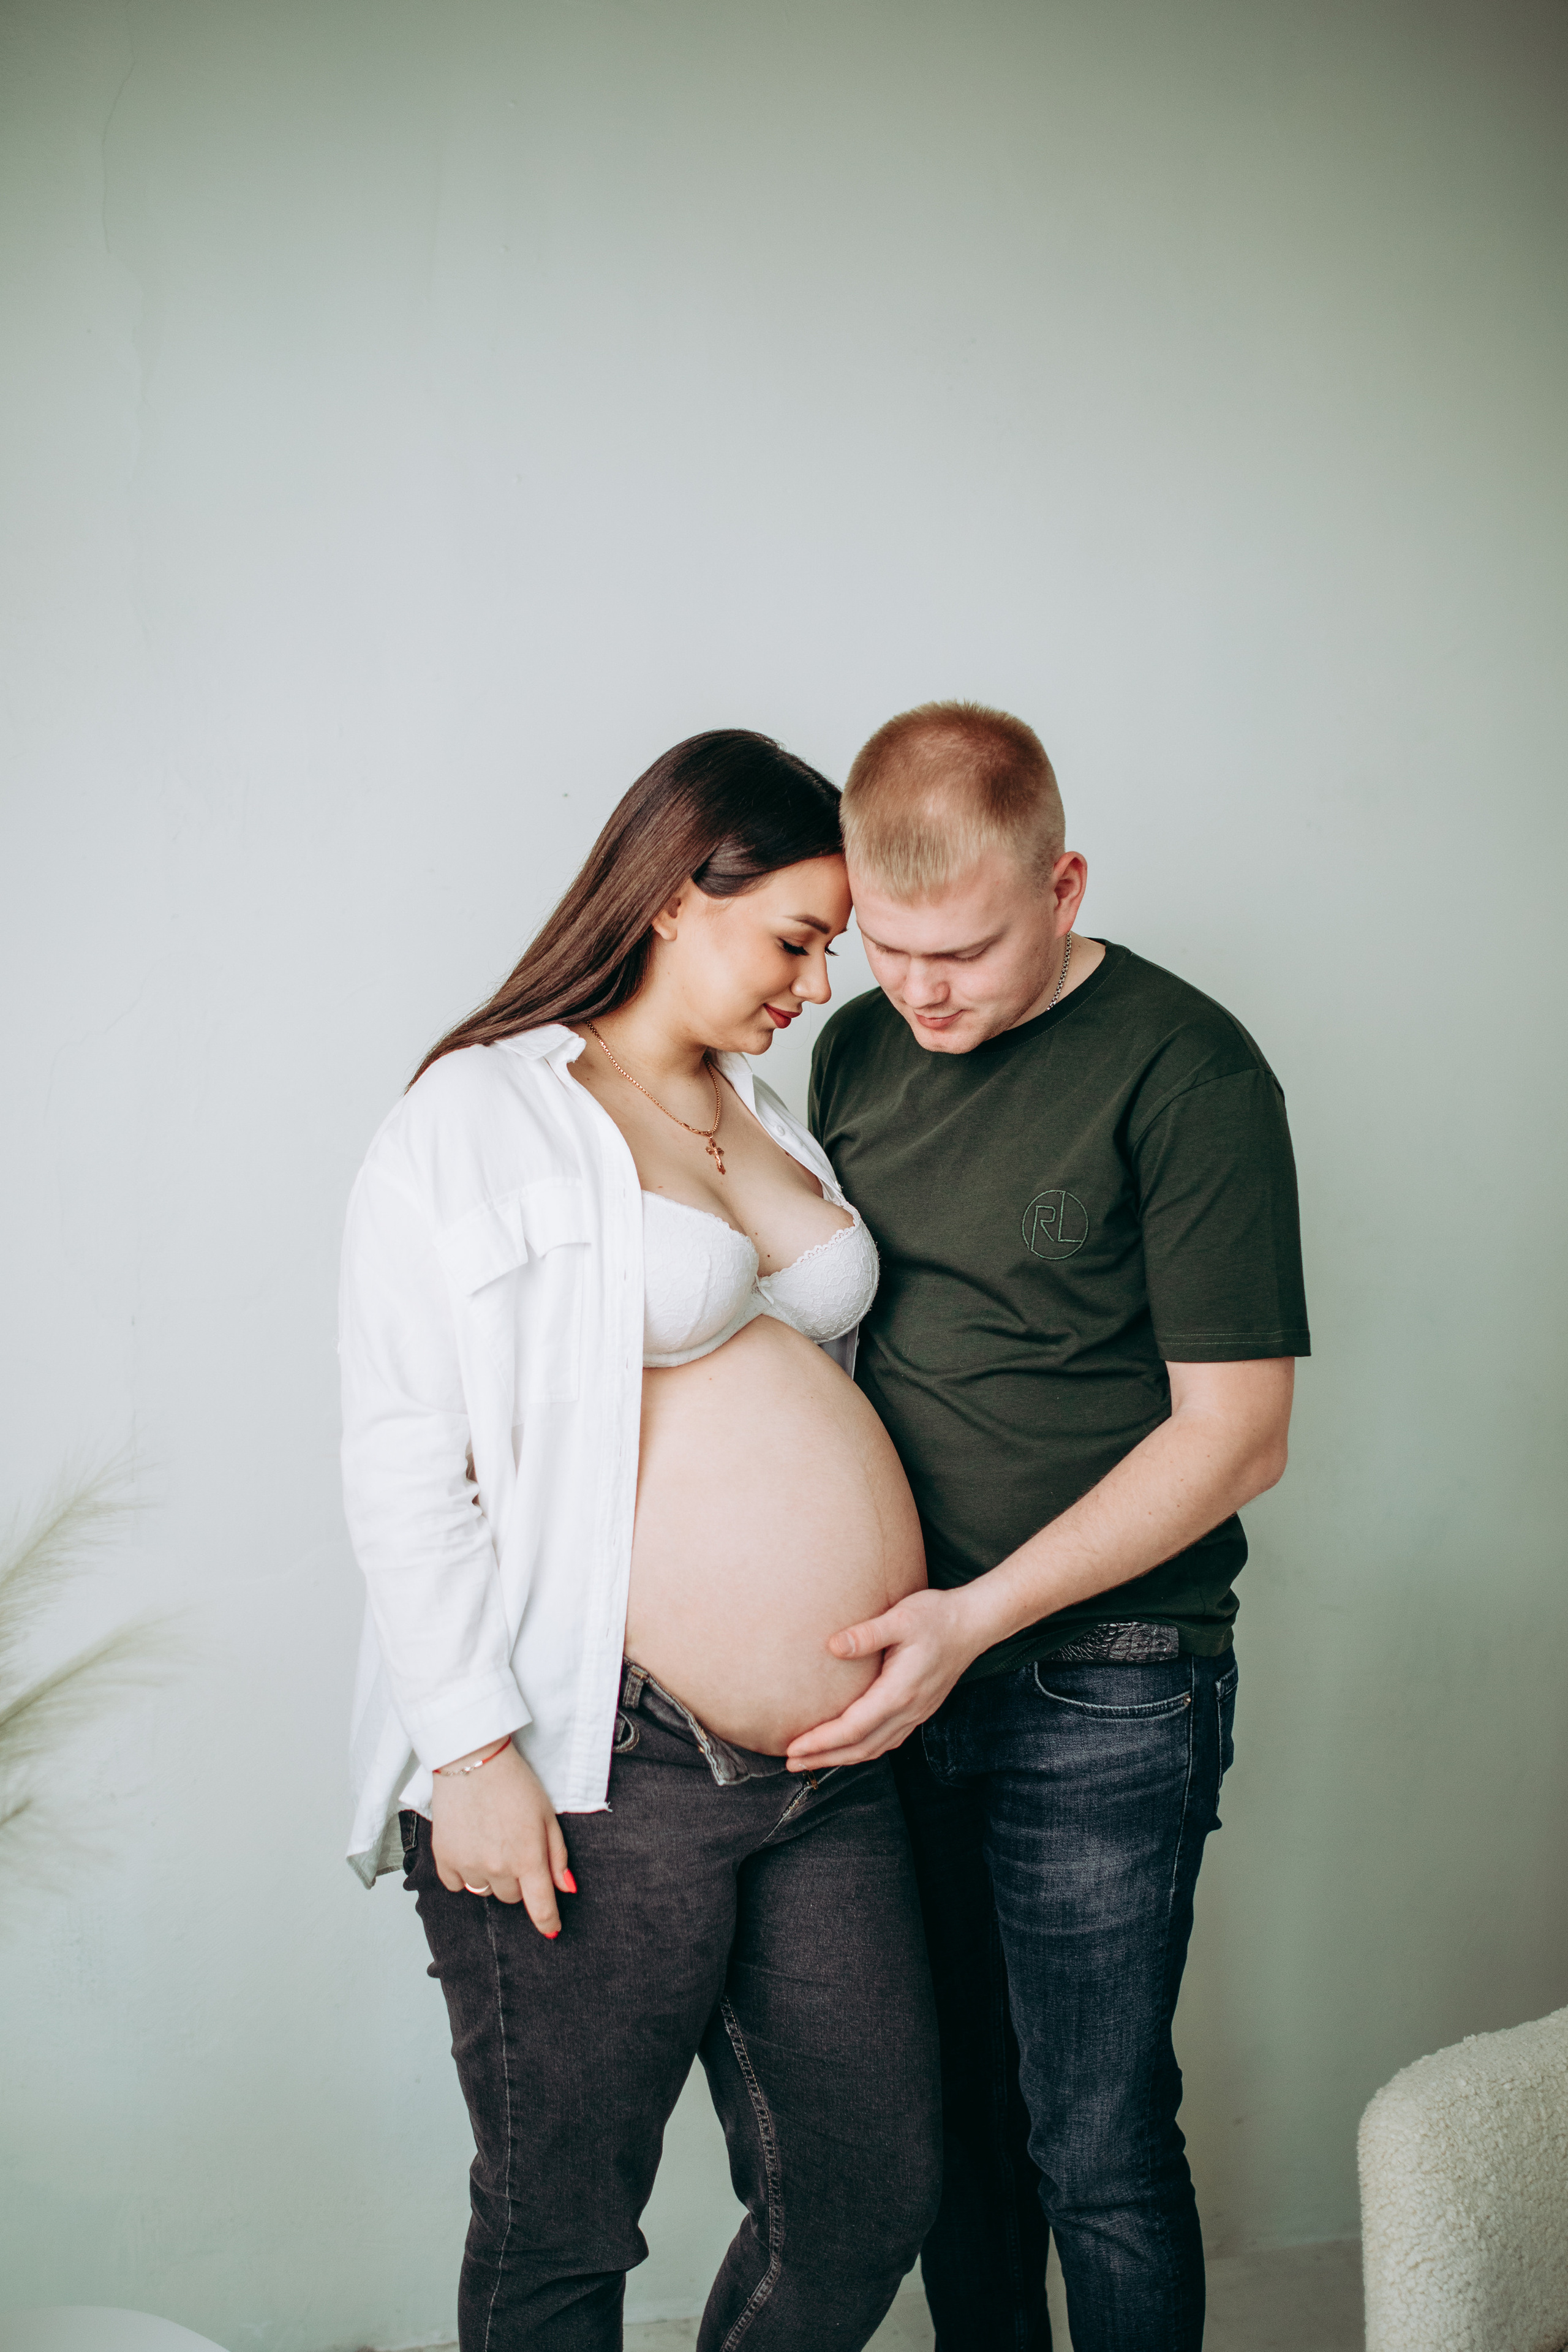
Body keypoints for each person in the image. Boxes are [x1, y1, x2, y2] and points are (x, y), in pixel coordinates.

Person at [338, 730, 940, 2352]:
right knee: (567, 2228)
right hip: (606, 1750)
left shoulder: (766, 1113)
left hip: (830, 1763)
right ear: (682, 894)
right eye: (796, 939)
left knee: (871, 2185)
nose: (818, 985)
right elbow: (406, 1453)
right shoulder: (480, 1116)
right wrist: (471, 1749)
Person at [794, 701, 1310, 2352]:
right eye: (888, 946)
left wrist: (979, 1615)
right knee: (951, 2133)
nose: (922, 987)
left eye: (965, 946)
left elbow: (1237, 1441)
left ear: (1066, 881)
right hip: (898, 1667)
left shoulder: (1191, 1067)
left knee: (1092, 2140)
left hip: (1108, 1673)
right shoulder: (856, 1048)